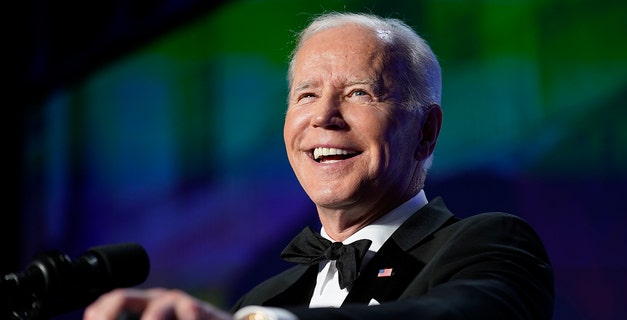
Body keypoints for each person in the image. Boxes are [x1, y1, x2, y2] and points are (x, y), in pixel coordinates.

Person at [83, 12, 554, 320]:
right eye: (306, 95)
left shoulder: (488, 244)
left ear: (426, 131)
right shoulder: (261, 295)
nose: (323, 117)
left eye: (359, 94)